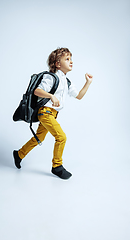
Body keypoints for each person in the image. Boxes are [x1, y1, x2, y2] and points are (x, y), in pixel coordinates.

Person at [13, 47, 93, 180]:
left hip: (52, 114)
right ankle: (57, 166)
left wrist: (88, 83)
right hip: (45, 113)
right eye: (67, 59)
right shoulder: (50, 77)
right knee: (61, 137)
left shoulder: (66, 81)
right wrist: (51, 96)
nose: (71, 61)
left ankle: (19, 154)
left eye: (71, 59)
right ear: (57, 63)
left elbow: (79, 96)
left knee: (39, 138)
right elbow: (37, 91)